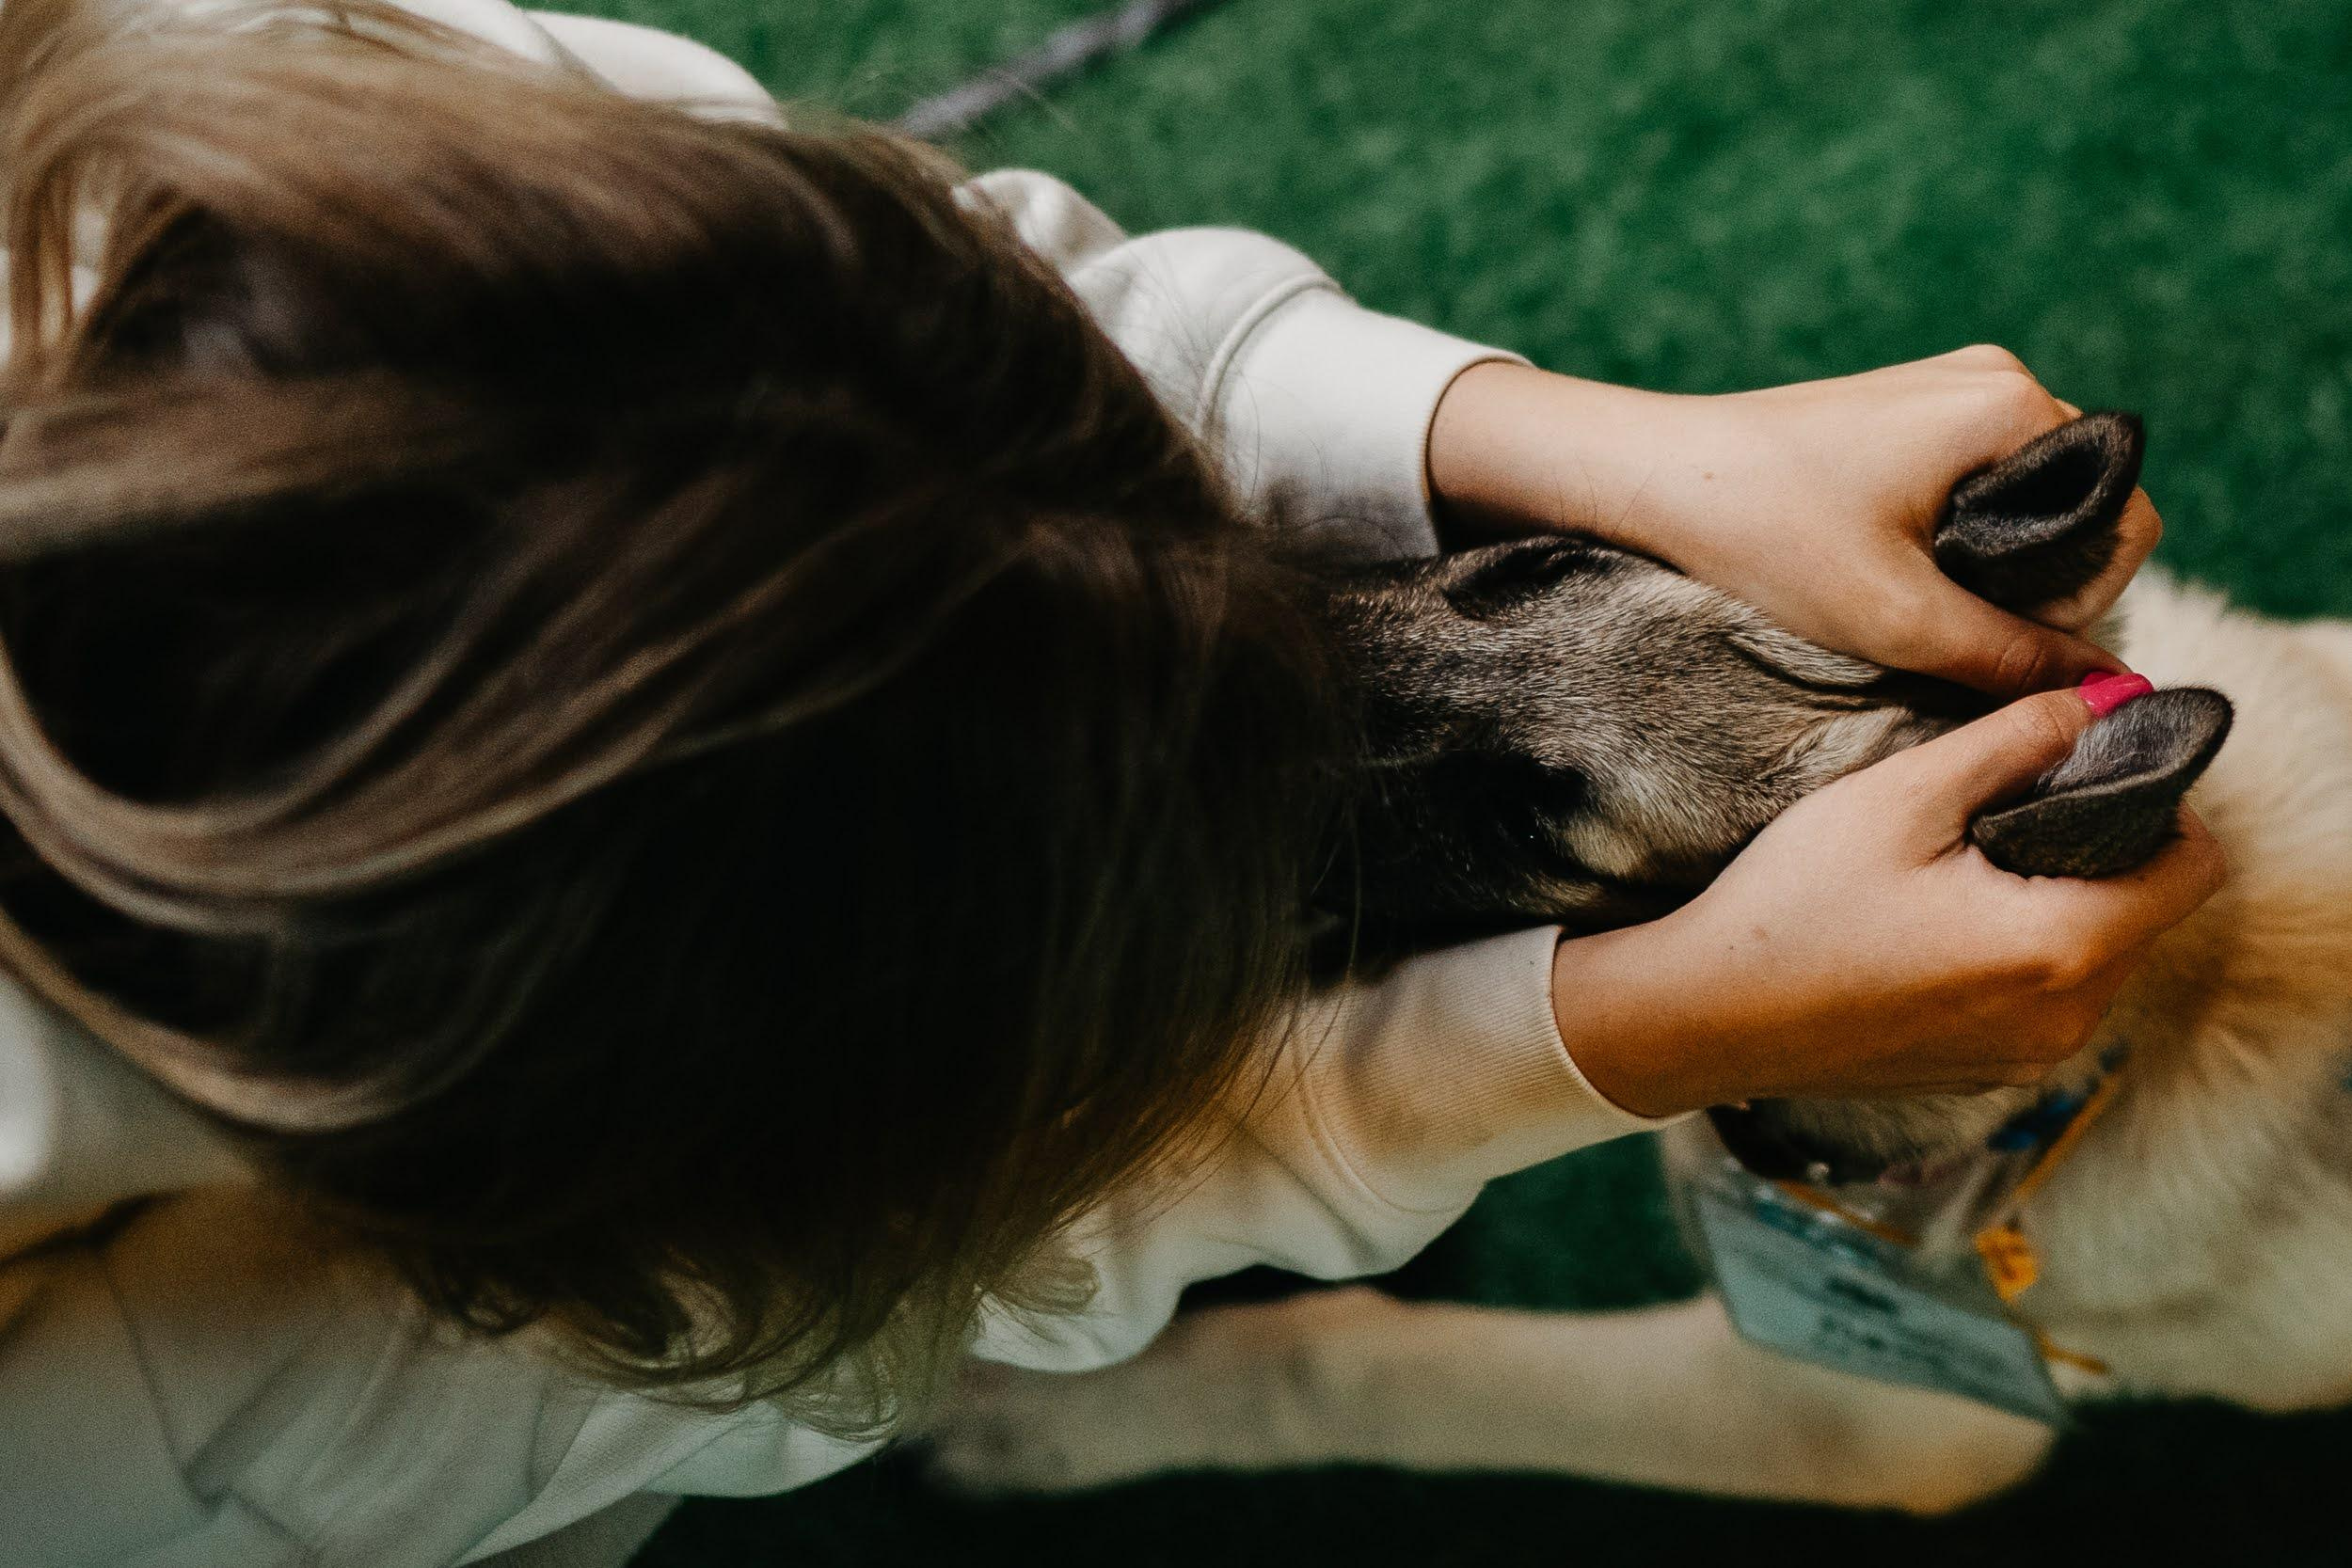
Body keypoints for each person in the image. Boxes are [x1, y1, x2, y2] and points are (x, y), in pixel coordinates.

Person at [0, 1, 2222, 1563]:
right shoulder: (122, 1417)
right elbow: (708, 1338)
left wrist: (1589, 448)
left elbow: (937, 297)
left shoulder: (229, 142)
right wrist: (1611, 1034)